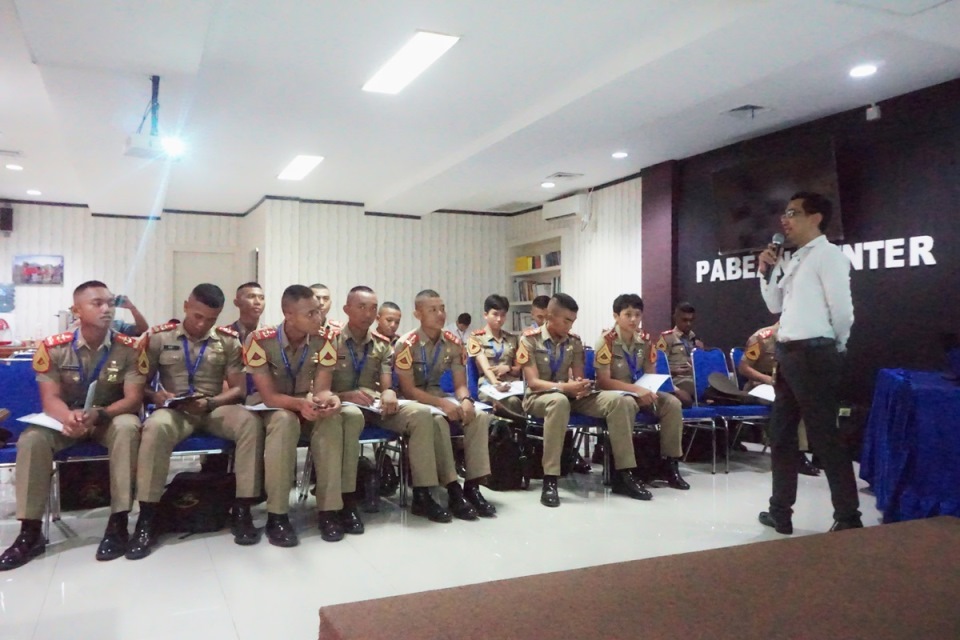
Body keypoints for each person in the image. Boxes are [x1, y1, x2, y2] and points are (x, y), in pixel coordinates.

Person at [1, 281, 145, 570]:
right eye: (97, 303)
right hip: (65, 420)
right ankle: (30, 531)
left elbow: (132, 399)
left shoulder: (129, 348)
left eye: (109, 302)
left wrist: (98, 415)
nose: (106, 309)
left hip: (107, 419)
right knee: (32, 439)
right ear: (76, 310)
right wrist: (68, 418)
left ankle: (118, 522)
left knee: (128, 428)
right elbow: (50, 398)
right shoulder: (55, 347)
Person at [125, 284, 263, 560]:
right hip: (175, 410)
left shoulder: (228, 341)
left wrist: (212, 402)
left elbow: (239, 389)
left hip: (213, 408)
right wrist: (157, 395)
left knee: (250, 422)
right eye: (198, 316)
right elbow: (140, 385)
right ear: (187, 306)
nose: (202, 324)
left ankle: (243, 509)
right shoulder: (159, 338)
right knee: (155, 427)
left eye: (211, 319)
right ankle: (147, 517)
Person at [756, 191, 860, 534]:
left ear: (815, 218)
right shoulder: (795, 258)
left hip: (814, 354)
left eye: (793, 213)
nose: (785, 220)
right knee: (781, 435)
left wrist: (836, 345)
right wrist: (765, 270)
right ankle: (780, 511)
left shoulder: (828, 256)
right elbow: (774, 306)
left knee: (824, 436)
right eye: (785, 213)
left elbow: (842, 311)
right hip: (788, 355)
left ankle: (848, 516)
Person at [316, 286, 453, 523]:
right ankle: (346, 499)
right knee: (352, 415)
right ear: (347, 309)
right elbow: (321, 389)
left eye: (372, 308)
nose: (368, 314)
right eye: (361, 307)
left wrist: (389, 392)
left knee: (420, 413)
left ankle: (423, 493)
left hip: (375, 405)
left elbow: (387, 383)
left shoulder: (382, 344)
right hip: (343, 405)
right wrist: (346, 396)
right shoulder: (330, 341)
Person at [245, 284, 358, 543]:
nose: (319, 317)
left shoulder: (326, 339)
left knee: (331, 420)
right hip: (273, 408)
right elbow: (269, 397)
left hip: (306, 404)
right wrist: (299, 405)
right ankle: (277, 515)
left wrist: (331, 400)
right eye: (311, 314)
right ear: (288, 314)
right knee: (284, 422)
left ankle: (329, 510)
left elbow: (322, 389)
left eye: (318, 311)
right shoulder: (259, 340)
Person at [517, 293, 651, 507]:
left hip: (569, 395)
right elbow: (533, 383)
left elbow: (578, 376)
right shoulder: (529, 339)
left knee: (621, 401)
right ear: (550, 316)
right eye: (566, 320)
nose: (570, 326)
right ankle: (550, 478)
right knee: (558, 402)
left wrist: (580, 386)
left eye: (573, 321)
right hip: (539, 397)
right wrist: (565, 388)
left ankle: (624, 473)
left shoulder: (574, 341)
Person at [394, 290, 495, 519]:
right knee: (439, 420)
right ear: (418, 314)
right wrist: (442, 404)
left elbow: (460, 384)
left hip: (438, 395)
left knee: (478, 416)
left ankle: (473, 486)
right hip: (414, 400)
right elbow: (408, 390)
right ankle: (452, 487)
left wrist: (466, 399)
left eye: (442, 309)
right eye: (433, 310)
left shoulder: (453, 343)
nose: (440, 314)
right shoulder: (406, 344)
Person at [594, 294, 689, 490]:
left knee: (672, 403)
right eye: (628, 314)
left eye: (637, 315)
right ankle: (626, 471)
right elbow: (603, 381)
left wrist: (648, 391)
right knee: (626, 402)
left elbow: (650, 374)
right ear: (616, 316)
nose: (633, 319)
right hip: (618, 394)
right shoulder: (606, 340)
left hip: (639, 391)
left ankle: (670, 464)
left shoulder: (644, 340)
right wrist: (637, 390)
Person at [738, 322, 820, 477]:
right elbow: (744, 367)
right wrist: (767, 379)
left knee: (805, 400)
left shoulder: (795, 339)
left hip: (783, 385)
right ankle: (797, 455)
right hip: (759, 386)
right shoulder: (761, 338)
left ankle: (815, 452)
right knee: (790, 403)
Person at [467, 294, 522, 416]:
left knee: (521, 399)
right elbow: (483, 364)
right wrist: (496, 383)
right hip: (488, 386)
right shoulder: (476, 338)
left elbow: (518, 370)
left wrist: (508, 368)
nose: (499, 319)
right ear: (485, 315)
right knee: (512, 402)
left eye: (503, 315)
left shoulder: (512, 339)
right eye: (495, 314)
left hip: (511, 386)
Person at [656, 302, 704, 407]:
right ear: (676, 318)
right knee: (695, 387)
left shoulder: (696, 339)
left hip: (695, 377)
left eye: (691, 320)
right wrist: (674, 371)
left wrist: (700, 353)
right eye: (684, 320)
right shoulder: (667, 338)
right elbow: (658, 366)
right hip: (678, 380)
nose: (688, 324)